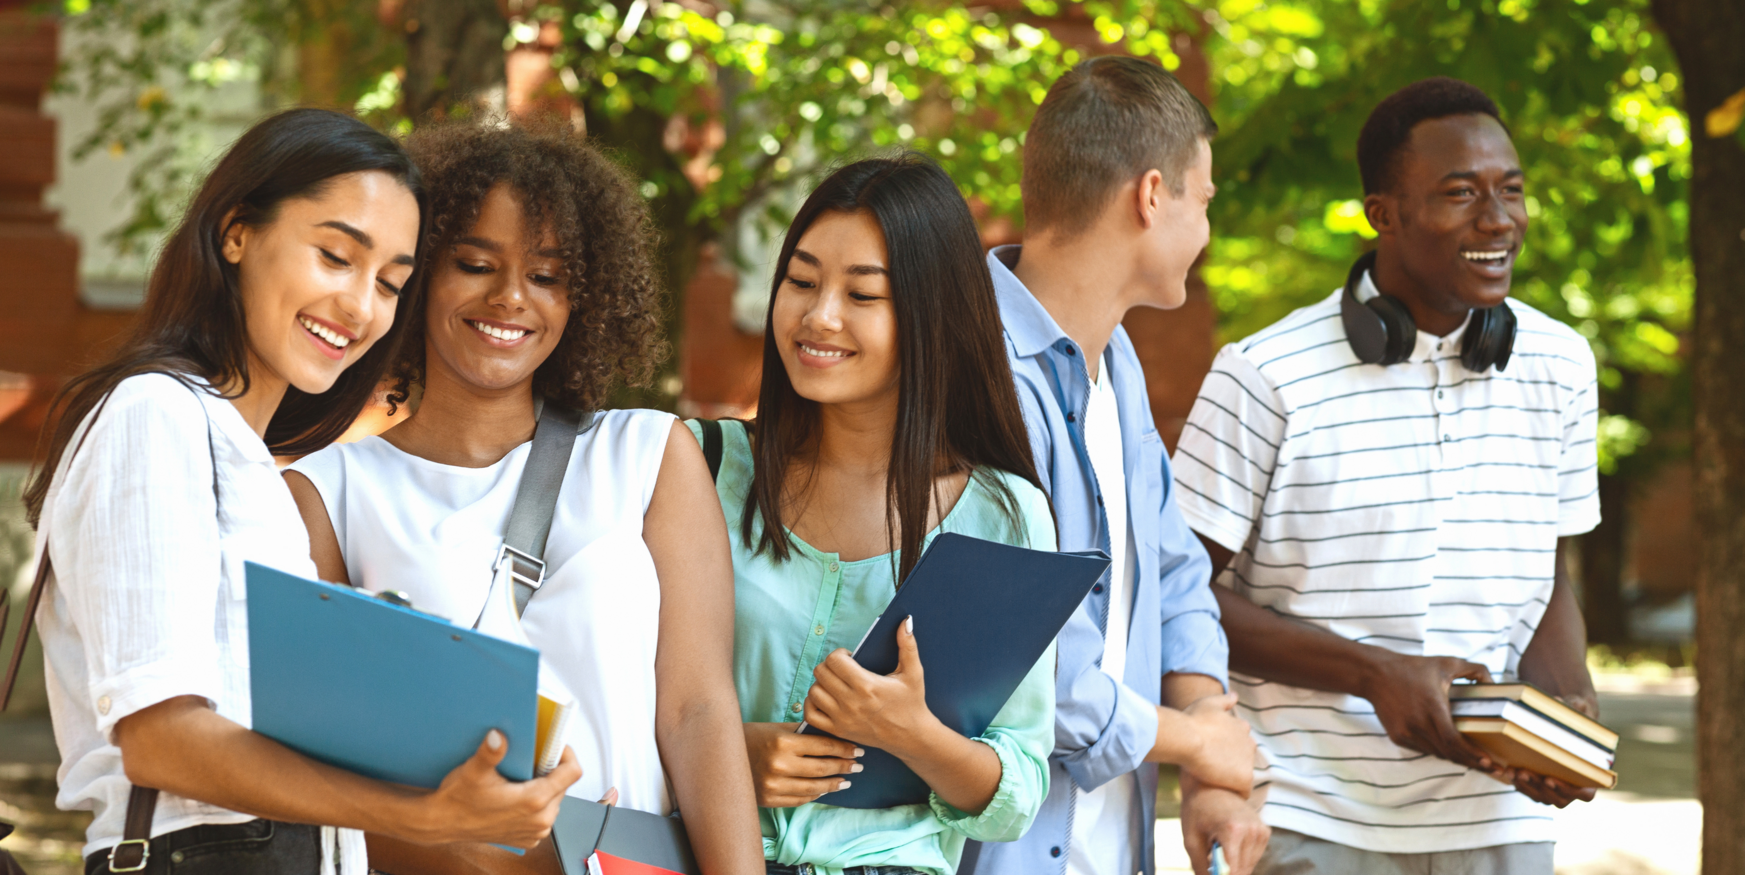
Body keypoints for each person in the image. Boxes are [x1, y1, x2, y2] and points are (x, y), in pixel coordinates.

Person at [19, 108, 580, 875]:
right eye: (335, 256)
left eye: (390, 282)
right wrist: (424, 814)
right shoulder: (155, 412)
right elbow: (160, 738)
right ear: (237, 233)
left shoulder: (249, 460)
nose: (361, 307)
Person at [285, 119, 764, 875]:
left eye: (547, 276)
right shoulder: (326, 493)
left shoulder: (647, 454)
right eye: (475, 264)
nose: (511, 298)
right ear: (416, 274)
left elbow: (699, 711)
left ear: (585, 296)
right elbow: (321, 782)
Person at [1172, 77, 1601, 874]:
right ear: (1384, 213)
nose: (1498, 219)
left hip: (1495, 823)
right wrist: (1373, 672)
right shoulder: (1265, 374)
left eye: (1511, 190)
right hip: (1310, 811)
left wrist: (1565, 710)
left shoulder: (1563, 366)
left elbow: (1547, 570)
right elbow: (1176, 595)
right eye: (1460, 194)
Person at [690, 154, 1056, 875]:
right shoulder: (703, 467)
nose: (818, 315)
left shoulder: (1005, 513)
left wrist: (913, 733)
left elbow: (1019, 791)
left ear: (932, 314)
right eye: (800, 281)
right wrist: (731, 753)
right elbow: (611, 686)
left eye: (863, 294)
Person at [963, 57, 1269, 875]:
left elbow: (1175, 574)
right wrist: (1197, 739)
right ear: (1152, 194)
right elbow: (1031, 669)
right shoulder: (978, 377)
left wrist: (1209, 735)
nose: (1206, 230)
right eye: (1203, 202)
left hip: (1111, 847)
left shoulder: (1118, 359)